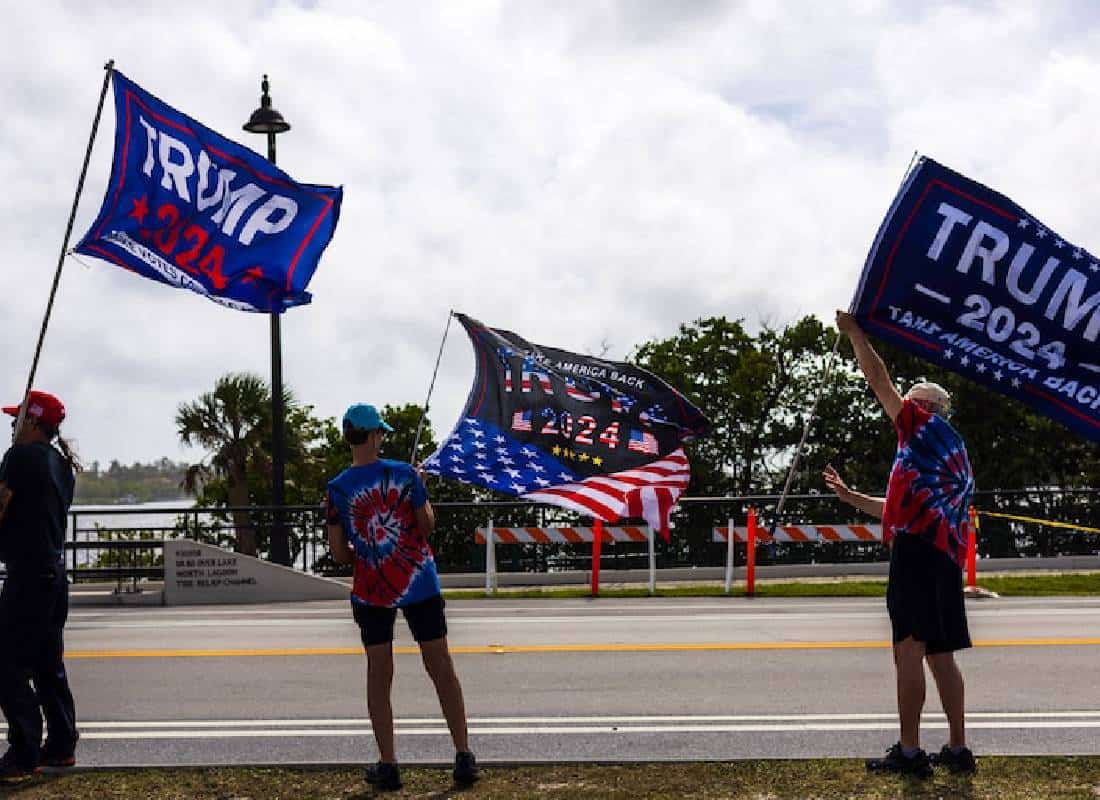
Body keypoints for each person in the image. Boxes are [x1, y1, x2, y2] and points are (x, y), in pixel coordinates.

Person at [826, 311, 976, 779]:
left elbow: (877, 379)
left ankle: (910, 752)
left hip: (916, 557)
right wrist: (853, 498)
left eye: (911, 402)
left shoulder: (921, 429)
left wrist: (855, 334)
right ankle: (956, 747)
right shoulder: (950, 453)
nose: (901, 407)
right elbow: (901, 510)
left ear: (925, 409)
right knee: (941, 654)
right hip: (944, 558)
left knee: (907, 650)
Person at [325, 403, 478, 791]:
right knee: (440, 665)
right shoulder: (406, 475)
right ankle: (462, 756)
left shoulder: (338, 488)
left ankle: (389, 763)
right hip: (419, 584)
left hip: (371, 590)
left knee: (379, 673)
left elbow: (340, 553)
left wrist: (369, 548)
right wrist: (419, 491)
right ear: (374, 435)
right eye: (381, 433)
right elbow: (426, 527)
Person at [0, 390, 80, 781]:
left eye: (16, 419)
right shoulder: (63, 466)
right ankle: (62, 745)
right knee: (49, 663)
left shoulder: (18, 458)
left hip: (27, 575)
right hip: (54, 574)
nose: (11, 425)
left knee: (7, 663)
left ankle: (23, 752)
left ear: (31, 423)